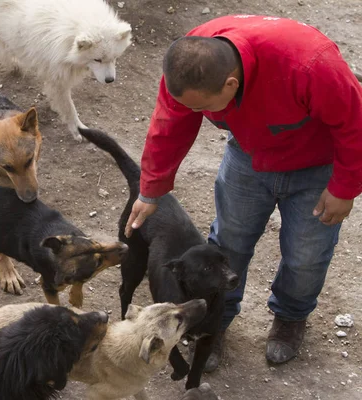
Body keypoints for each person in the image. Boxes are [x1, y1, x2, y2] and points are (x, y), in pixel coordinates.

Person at [126, 14, 362, 369]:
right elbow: (169, 123)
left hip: (315, 166)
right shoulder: (191, 62)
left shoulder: (311, 65)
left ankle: (290, 317)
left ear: (231, 84)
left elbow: (354, 124)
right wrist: (151, 189)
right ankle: (214, 321)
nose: (196, 114)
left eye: (203, 107)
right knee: (229, 244)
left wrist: (343, 187)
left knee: (306, 255)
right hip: (247, 157)